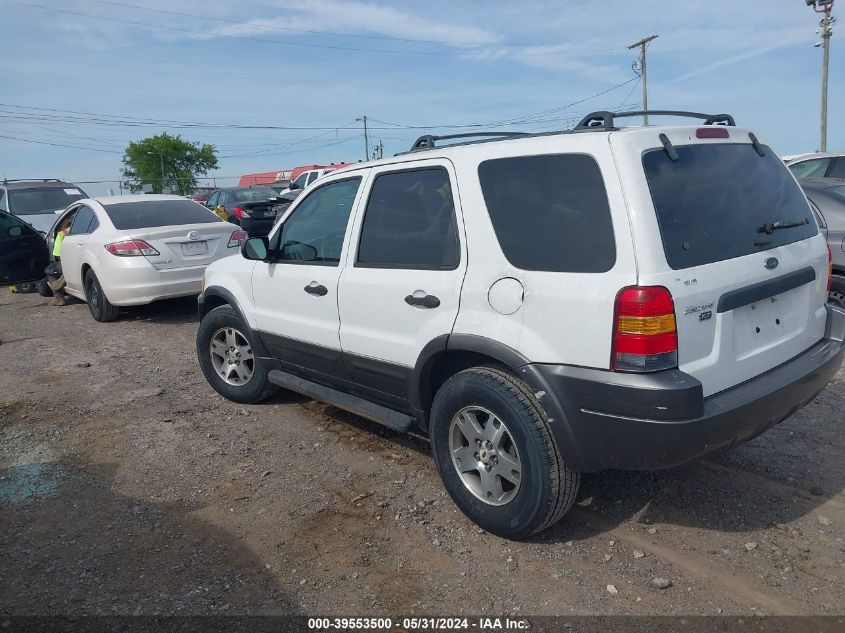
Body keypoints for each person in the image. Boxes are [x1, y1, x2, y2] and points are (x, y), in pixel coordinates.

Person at [45, 219, 71, 306]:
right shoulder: (84, 231)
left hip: (68, 263)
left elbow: (57, 255)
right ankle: (64, 277)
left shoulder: (62, 234)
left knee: (49, 270)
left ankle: (58, 297)